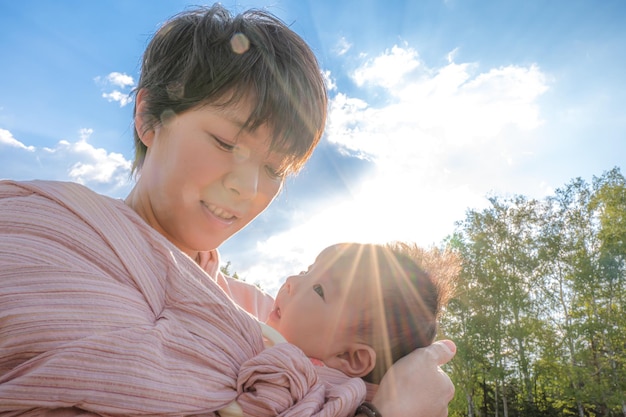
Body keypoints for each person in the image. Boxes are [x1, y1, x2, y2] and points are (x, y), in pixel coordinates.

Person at [0, 4, 455, 416]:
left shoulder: (254, 311)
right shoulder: (43, 237)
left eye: (275, 168)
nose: (248, 187)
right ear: (147, 117)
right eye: (225, 142)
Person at [264, 242, 458, 385]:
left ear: (350, 358)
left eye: (319, 289)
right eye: (306, 271)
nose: (291, 281)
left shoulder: (302, 390)